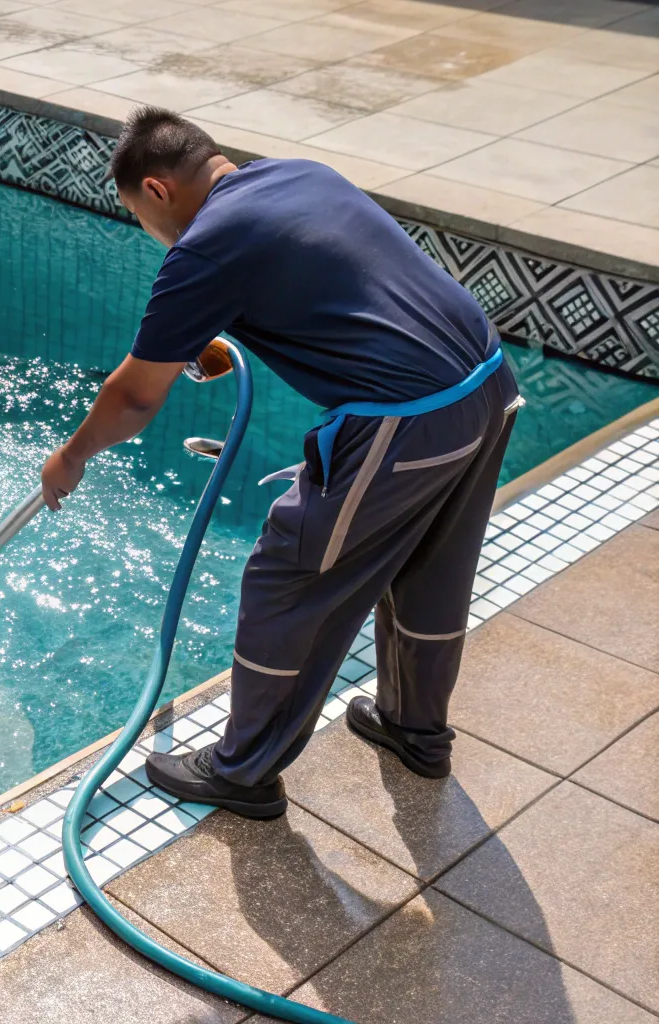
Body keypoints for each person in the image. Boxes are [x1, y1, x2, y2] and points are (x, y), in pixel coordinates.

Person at [41, 107, 520, 819]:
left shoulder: (203, 247)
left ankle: (243, 771)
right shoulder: (300, 175)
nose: (151, 231)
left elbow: (134, 396)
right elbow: (326, 282)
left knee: (289, 578)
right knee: (427, 570)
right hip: (488, 382)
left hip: (407, 419)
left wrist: (71, 456)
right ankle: (414, 732)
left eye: (140, 214)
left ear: (157, 189)